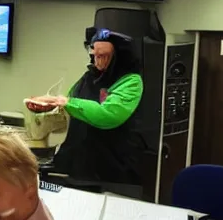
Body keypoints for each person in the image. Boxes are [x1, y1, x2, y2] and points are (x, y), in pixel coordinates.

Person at [27, 28, 145, 186]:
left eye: (103, 56)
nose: (97, 62)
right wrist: (47, 107)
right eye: (94, 55)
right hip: (79, 160)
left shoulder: (131, 81)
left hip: (111, 165)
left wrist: (66, 102)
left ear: (119, 57)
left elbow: (108, 115)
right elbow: (68, 107)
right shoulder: (89, 76)